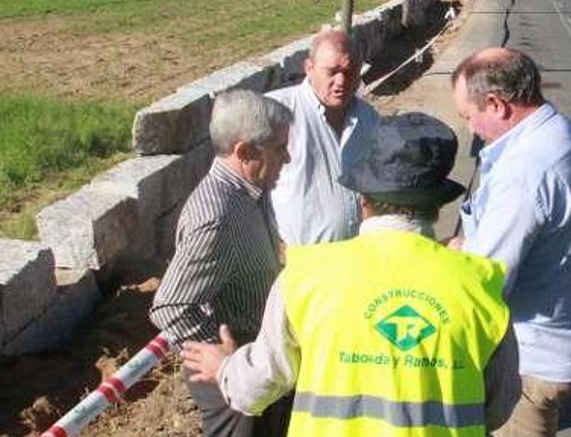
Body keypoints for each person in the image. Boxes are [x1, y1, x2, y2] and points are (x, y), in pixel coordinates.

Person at [181, 112, 521, 436]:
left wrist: (225, 369)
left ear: (362, 197)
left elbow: (256, 388)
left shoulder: (306, 278)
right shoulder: (479, 286)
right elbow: (497, 407)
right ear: (437, 205)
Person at [450, 48, 571, 437]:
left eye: (469, 117)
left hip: (530, 358)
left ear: (497, 104)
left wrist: (458, 257)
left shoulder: (523, 173)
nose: (470, 130)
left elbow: (484, 284)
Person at [149, 89, 294, 437]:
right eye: (278, 148)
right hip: (231, 370)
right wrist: (218, 355)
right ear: (244, 151)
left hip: (254, 358)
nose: (287, 158)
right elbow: (169, 305)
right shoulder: (219, 216)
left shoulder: (249, 193)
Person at [266, 29, 379, 246]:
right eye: (332, 71)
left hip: (356, 260)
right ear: (309, 68)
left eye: (350, 71)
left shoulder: (370, 120)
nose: (341, 81)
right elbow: (250, 183)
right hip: (298, 262)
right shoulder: (277, 113)